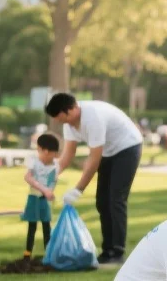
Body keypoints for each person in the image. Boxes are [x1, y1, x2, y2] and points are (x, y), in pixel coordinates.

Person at [45, 93, 143, 266]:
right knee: (102, 201)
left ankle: (117, 252)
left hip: (128, 147)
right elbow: (68, 154)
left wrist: (78, 189)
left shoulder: (93, 117)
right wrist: (51, 176)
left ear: (71, 109)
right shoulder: (70, 123)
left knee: (116, 199)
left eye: (62, 118)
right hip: (108, 151)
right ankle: (107, 251)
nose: (62, 123)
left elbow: (94, 159)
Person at [21, 133, 61, 259]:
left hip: (44, 200)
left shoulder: (54, 165)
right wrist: (44, 189)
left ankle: (48, 252)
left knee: (46, 224)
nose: (53, 157)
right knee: (32, 225)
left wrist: (50, 192)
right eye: (52, 154)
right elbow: (28, 177)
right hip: (34, 197)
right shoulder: (34, 161)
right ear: (44, 151)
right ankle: (28, 253)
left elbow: (53, 181)